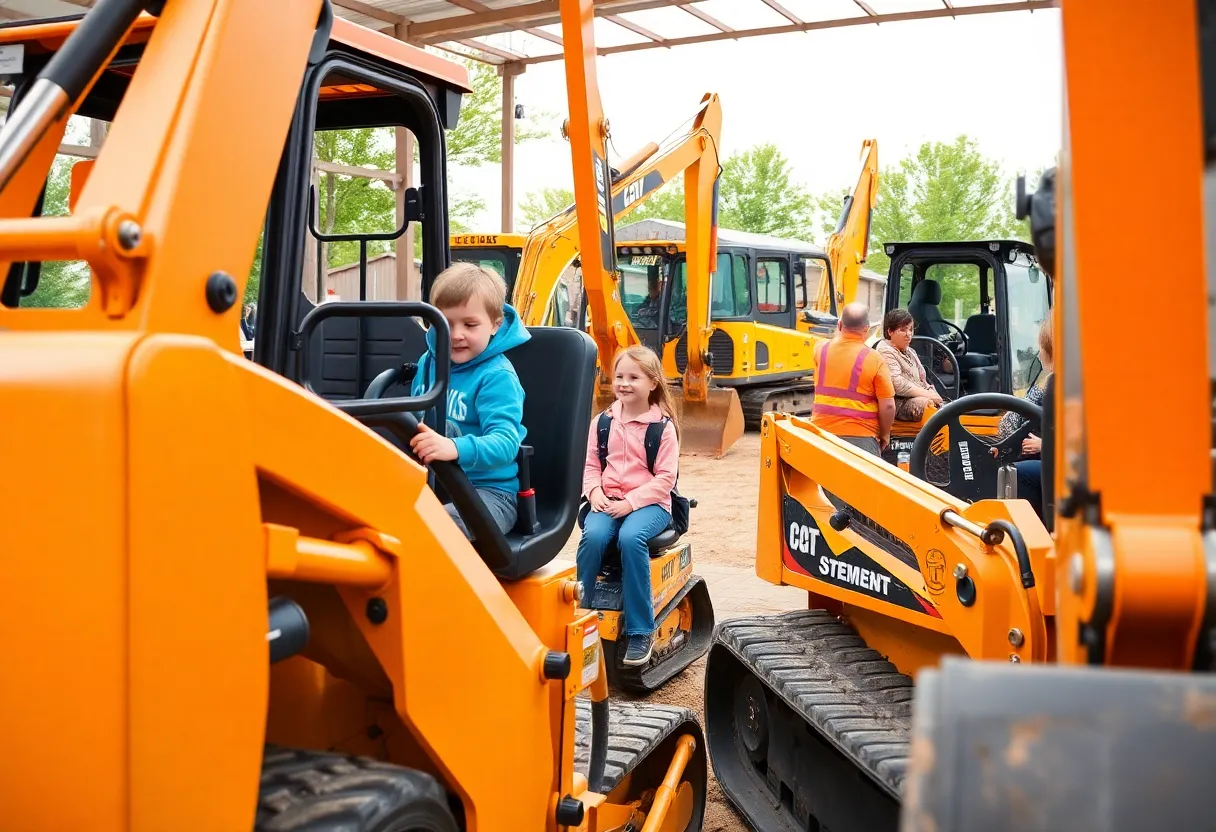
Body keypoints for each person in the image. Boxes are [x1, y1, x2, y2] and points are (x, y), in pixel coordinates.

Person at [409, 262, 530, 539]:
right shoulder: (429, 363)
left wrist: (453, 447)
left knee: (429, 530)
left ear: (495, 325)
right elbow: (415, 418)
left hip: (490, 495)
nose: (456, 334)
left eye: (470, 324)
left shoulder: (497, 377)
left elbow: (505, 444)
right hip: (434, 484)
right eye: (445, 323)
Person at [576, 345, 679, 667]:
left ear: (652, 383)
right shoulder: (602, 422)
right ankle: (581, 614)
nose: (624, 383)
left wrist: (631, 502)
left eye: (633, 377)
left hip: (651, 504)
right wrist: (593, 492)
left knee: (630, 538)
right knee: (592, 537)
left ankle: (639, 630)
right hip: (607, 500)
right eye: (619, 376)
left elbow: (665, 478)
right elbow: (591, 464)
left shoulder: (662, 427)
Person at [810, 302, 896, 454]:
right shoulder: (875, 359)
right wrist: (884, 435)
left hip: (821, 432)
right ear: (867, 329)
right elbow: (888, 405)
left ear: (839, 324)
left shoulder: (820, 350)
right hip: (861, 436)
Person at [989, 316, 1053, 519]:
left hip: (1071, 468)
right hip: (1062, 457)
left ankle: (1035, 533)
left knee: (1014, 473)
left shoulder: (1058, 384)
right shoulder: (1053, 381)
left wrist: (1045, 445)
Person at [876, 308, 943, 421]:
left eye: (911, 329)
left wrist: (931, 391)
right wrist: (928, 395)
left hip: (917, 397)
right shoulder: (885, 351)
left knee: (943, 407)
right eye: (903, 330)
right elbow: (897, 383)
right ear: (890, 332)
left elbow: (922, 380)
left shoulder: (910, 351)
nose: (908, 334)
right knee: (929, 405)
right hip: (898, 402)